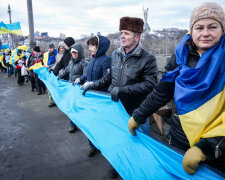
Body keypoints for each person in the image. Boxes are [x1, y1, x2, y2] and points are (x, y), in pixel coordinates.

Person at [128, 2, 225, 175]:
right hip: (179, 139)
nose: (205, 33)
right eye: (199, 27)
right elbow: (162, 91)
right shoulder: (182, 56)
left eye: (212, 27)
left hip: (215, 153)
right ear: (191, 31)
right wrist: (140, 114)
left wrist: (209, 146)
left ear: (222, 29)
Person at [83, 16, 158, 178]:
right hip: (117, 108)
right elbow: (109, 78)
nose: (122, 36)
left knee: (140, 145)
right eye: (121, 33)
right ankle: (118, 165)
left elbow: (150, 85)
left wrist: (123, 90)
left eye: (127, 33)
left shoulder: (148, 58)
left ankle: (139, 171)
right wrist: (93, 85)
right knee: (118, 140)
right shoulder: (116, 55)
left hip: (138, 111)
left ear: (137, 37)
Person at [78, 35, 111, 157]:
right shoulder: (92, 59)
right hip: (90, 97)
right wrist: (79, 79)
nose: (90, 48)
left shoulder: (106, 60)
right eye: (89, 46)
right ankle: (92, 146)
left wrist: (92, 84)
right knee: (90, 123)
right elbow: (87, 74)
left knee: (100, 125)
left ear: (99, 46)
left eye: (92, 45)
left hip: (100, 98)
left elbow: (106, 80)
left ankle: (103, 147)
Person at [58, 43, 88, 133]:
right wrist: (59, 77)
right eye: (72, 53)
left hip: (79, 89)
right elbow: (66, 70)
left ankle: (82, 125)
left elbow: (86, 75)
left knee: (79, 108)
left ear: (79, 53)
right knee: (71, 107)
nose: (74, 54)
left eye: (75, 53)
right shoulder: (71, 62)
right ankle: (72, 125)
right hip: (71, 88)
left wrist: (80, 80)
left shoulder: (84, 63)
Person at [48, 42, 66, 107]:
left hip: (64, 74)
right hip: (58, 73)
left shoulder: (66, 55)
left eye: (63, 48)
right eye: (60, 48)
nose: (61, 49)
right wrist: (52, 68)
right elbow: (56, 64)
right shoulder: (57, 55)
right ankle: (54, 101)